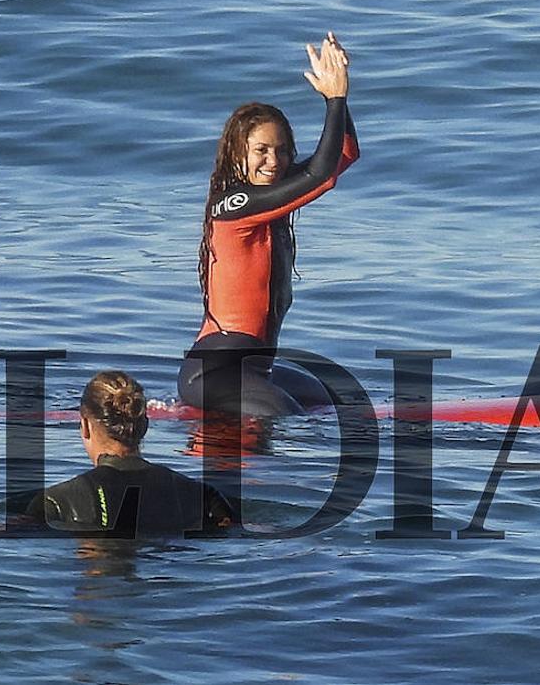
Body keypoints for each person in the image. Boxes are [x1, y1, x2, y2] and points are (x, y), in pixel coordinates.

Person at [177, 32, 359, 416]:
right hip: (212, 373)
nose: (273, 161)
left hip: (258, 370)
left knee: (343, 404)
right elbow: (323, 176)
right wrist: (335, 99)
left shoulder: (271, 203)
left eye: (281, 151)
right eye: (261, 151)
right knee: (290, 420)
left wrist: (340, 93)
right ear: (237, 157)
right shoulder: (233, 207)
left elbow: (344, 155)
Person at [28, 370, 235, 534]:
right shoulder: (202, 496)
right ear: (145, 424)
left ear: (85, 424)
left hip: (99, 577)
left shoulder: (57, 501)